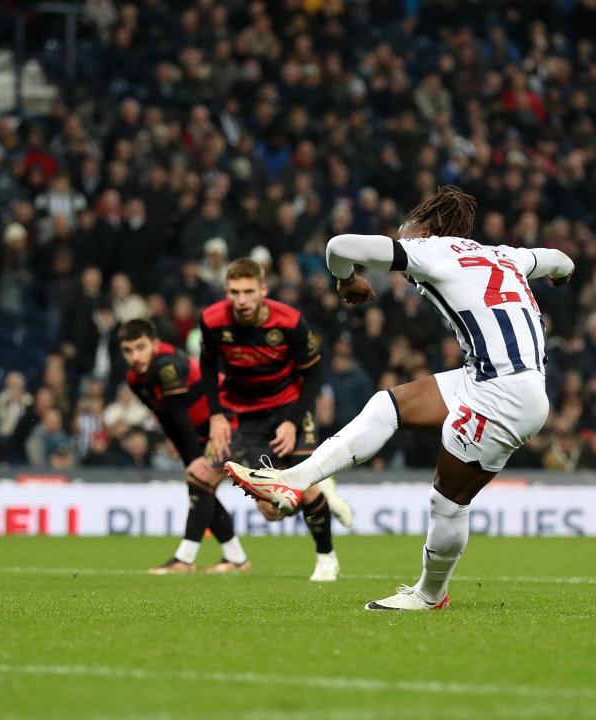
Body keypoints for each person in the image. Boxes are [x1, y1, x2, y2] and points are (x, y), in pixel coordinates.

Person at [226, 186, 574, 609]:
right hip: (489, 376)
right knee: (387, 405)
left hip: (503, 395)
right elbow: (557, 259)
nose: (400, 239)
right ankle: (294, 480)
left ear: (425, 229)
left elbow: (339, 245)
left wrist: (345, 278)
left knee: (448, 499)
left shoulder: (431, 250)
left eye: (405, 232)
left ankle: (430, 595)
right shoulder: (505, 254)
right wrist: (562, 274)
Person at [201, 258, 353, 582]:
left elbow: (312, 376)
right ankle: (320, 488)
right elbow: (207, 365)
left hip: (291, 407)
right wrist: (215, 415)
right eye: (234, 292)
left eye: (248, 292)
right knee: (272, 511)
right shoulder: (212, 321)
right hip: (247, 415)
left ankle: (326, 559)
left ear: (263, 291)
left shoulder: (290, 322)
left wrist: (292, 422)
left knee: (304, 483)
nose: (241, 300)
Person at [118, 318, 250, 574]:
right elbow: (166, 419)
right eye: (128, 350)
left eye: (140, 347)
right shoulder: (135, 380)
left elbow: (178, 415)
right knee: (201, 485)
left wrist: (193, 460)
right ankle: (236, 559)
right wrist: (189, 459)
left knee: (201, 483)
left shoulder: (167, 365)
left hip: (233, 421)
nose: (135, 356)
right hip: (204, 432)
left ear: (155, 344)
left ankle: (185, 560)